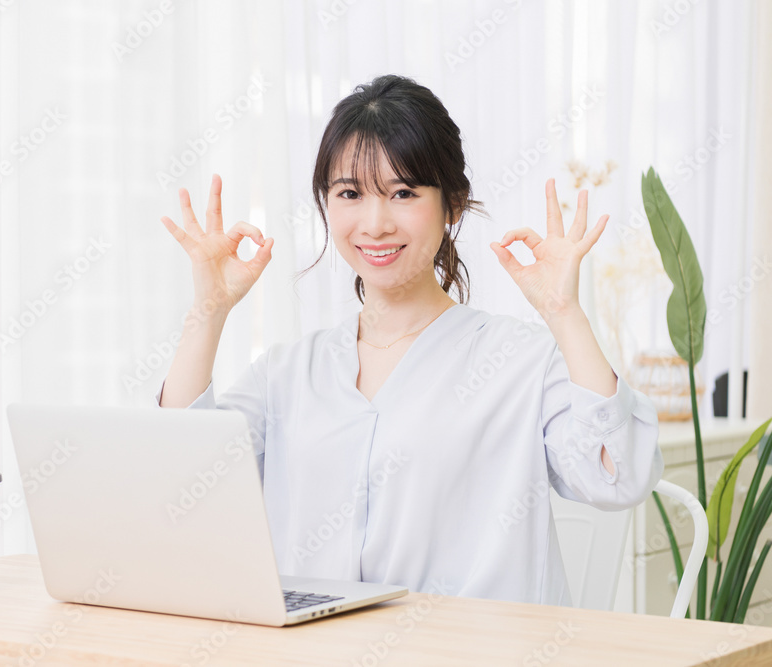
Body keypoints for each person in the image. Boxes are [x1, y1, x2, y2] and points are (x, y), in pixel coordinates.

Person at [154, 74, 663, 606]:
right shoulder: (287, 372)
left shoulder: (521, 360)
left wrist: (565, 313)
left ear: (453, 205)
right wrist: (208, 312)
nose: (375, 224)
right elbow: (186, 488)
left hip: (473, 644)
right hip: (314, 644)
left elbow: (619, 477)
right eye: (350, 194)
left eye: (402, 193)